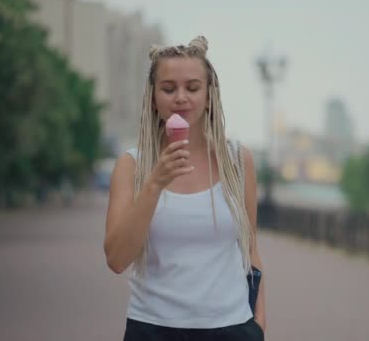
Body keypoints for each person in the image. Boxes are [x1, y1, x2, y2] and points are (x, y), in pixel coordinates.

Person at [104, 36, 266, 341]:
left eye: (192, 88)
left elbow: (251, 248)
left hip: (232, 327)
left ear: (209, 95)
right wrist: (155, 183)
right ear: (152, 97)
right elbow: (116, 258)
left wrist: (259, 321)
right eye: (168, 88)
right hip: (153, 328)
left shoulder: (237, 160)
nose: (181, 97)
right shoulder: (132, 165)